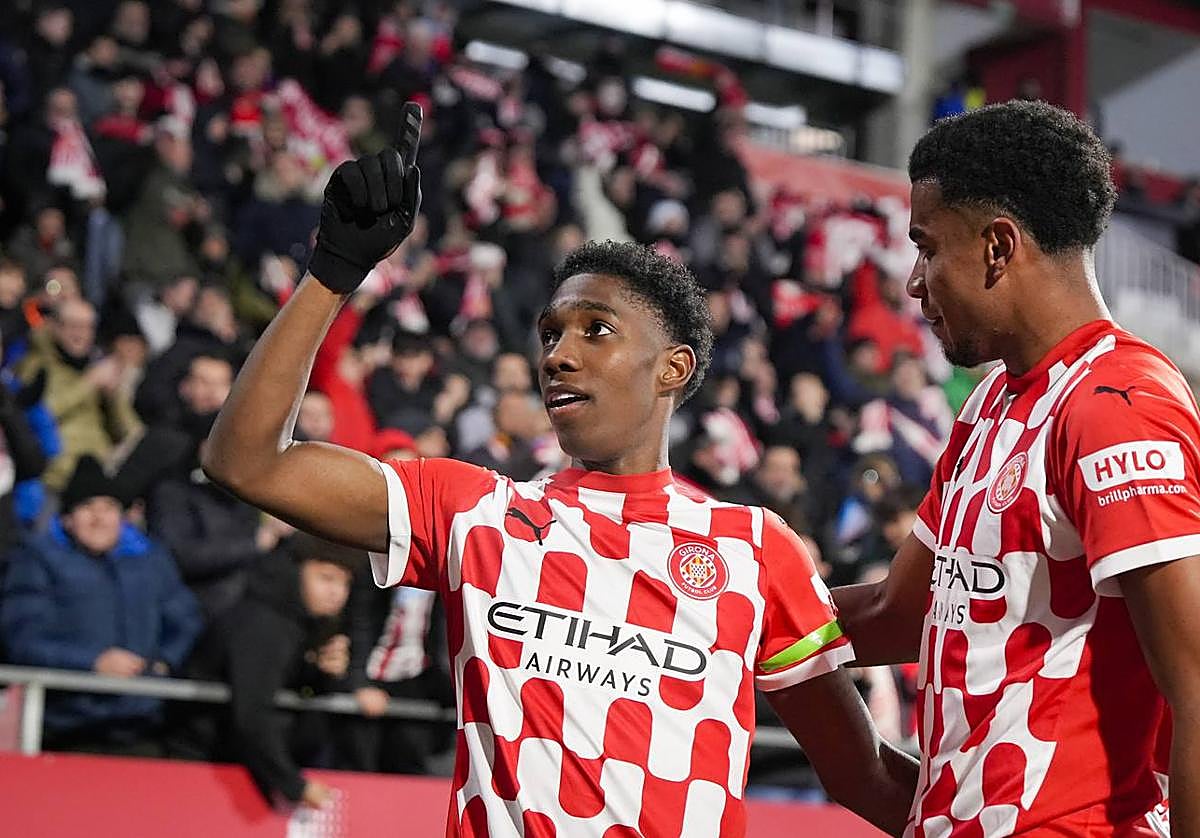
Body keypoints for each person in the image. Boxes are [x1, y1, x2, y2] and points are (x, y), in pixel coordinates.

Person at [203, 103, 916, 835]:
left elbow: (862, 774)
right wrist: (332, 272)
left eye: (595, 330)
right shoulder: (472, 511)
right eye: (549, 333)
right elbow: (248, 463)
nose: (557, 355)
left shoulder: (754, 551)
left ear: (673, 369)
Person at [833, 100, 1196, 836]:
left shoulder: (1116, 403)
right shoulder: (993, 401)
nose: (915, 281)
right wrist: (722, 606)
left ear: (998, 246)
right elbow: (898, 615)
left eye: (928, 248)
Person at [1, 455, 202, 753]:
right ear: (67, 518)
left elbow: (186, 620)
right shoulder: (36, 560)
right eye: (87, 507)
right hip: (66, 727)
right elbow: (22, 639)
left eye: (108, 507)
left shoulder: (149, 560)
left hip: (141, 724)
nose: (99, 518)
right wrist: (92, 662)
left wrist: (162, 662)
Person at [175, 534, 359, 809]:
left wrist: (323, 675)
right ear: (295, 573)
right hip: (202, 764)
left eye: (345, 583)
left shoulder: (302, 622)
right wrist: (293, 784)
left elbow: (291, 688)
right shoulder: (264, 624)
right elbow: (252, 713)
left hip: (231, 761)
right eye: (326, 578)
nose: (337, 592)